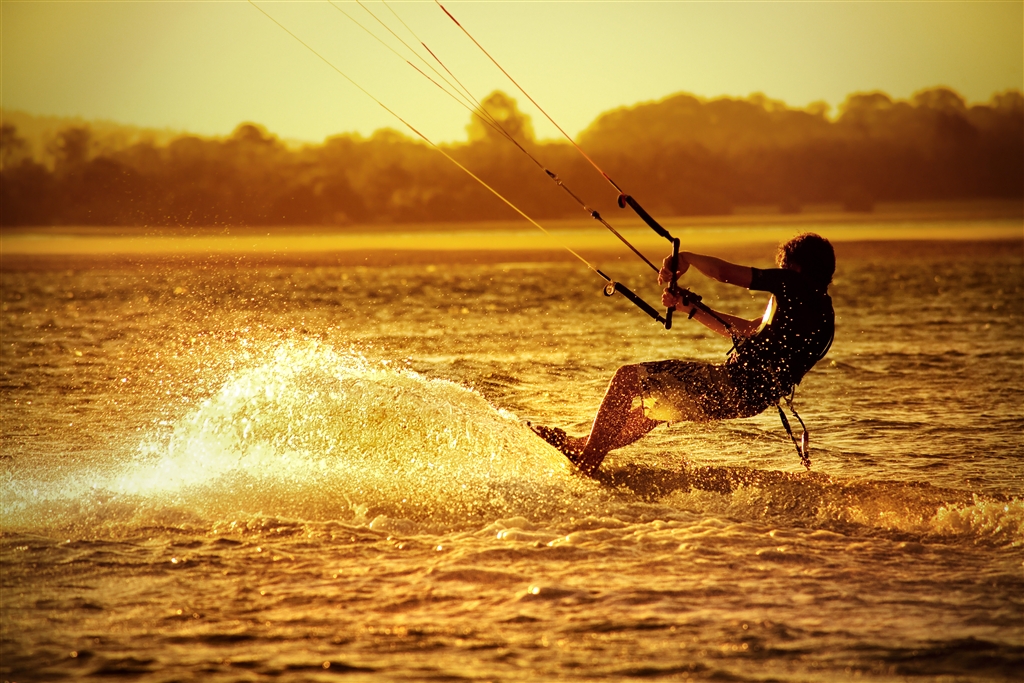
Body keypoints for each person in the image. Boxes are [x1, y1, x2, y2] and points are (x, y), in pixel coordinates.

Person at [532, 232, 835, 476]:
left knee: (626, 378)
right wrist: (688, 307)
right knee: (655, 408)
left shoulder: (793, 284)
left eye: (784, 268)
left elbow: (725, 273)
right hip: (749, 400)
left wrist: (686, 257)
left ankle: (587, 461)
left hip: (730, 385)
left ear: (795, 267)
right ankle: (581, 446)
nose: (779, 274)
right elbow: (747, 330)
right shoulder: (824, 314)